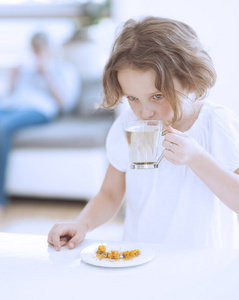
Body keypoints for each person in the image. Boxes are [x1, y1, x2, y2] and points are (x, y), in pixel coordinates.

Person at [48, 16, 239, 251]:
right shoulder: (129, 125)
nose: (145, 112)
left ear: (190, 80)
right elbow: (110, 193)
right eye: (132, 98)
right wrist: (82, 223)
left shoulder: (216, 124)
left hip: (204, 261)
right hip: (140, 255)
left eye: (157, 96)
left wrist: (197, 158)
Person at [0, 32, 80, 216]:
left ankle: (0, 200)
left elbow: (65, 104)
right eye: (34, 50)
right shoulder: (25, 69)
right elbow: (9, 96)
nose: (36, 53)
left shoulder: (64, 69)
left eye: (40, 49)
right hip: (13, 106)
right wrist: (13, 79)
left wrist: (47, 73)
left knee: (2, 129)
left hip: (39, 110)